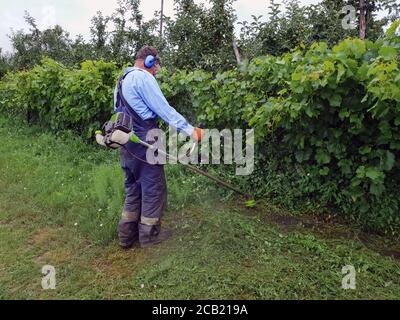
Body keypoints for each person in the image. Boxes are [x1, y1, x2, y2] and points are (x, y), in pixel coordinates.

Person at [114, 46, 204, 249]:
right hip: (145, 139)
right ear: (148, 61)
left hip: (125, 141)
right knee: (153, 186)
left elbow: (117, 113)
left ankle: (126, 235)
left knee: (133, 187)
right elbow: (163, 109)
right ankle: (149, 236)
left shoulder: (121, 81)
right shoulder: (143, 78)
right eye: (156, 67)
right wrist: (191, 131)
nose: (156, 71)